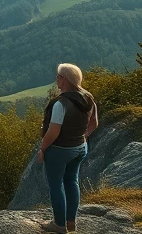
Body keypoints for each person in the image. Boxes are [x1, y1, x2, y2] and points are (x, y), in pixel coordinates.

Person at [39, 63, 98, 233]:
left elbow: (53, 131)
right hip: (80, 148)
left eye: (58, 76)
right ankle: (71, 223)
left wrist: (42, 149)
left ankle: (59, 224)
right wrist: (83, 136)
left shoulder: (61, 104)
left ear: (64, 80)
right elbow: (94, 122)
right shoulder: (88, 98)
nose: (56, 79)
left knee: (56, 186)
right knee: (72, 182)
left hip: (60, 150)